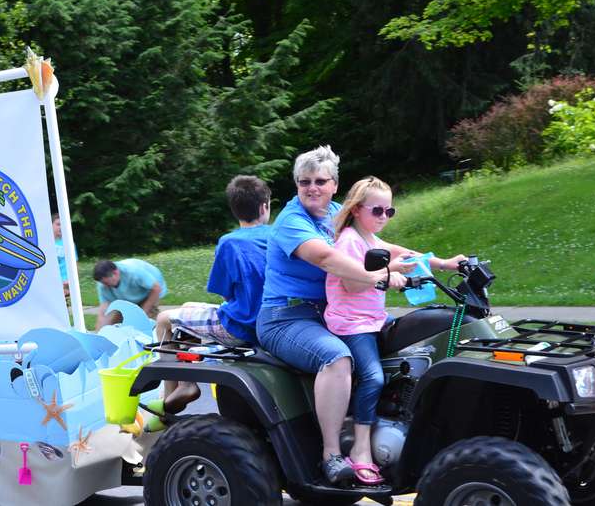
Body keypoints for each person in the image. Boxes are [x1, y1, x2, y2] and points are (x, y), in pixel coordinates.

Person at [256, 145, 414, 484]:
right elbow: (326, 259)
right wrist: (375, 277)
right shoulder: (291, 221)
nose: (312, 188)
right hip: (286, 318)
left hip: (329, 315)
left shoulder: (337, 213)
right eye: (304, 181)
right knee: (336, 358)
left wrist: (437, 261)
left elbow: (376, 246)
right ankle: (331, 455)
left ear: (334, 184)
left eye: (320, 181)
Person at [324, 176, 467, 484]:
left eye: (390, 212)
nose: (384, 218)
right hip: (352, 324)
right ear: (358, 209)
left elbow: (407, 254)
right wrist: (387, 275)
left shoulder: (371, 239)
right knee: (373, 376)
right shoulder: (350, 239)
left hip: (375, 318)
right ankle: (361, 447)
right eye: (378, 211)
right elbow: (351, 281)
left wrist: (446, 264)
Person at [153, 175, 271, 415]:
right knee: (187, 308)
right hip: (269, 321)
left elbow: (224, 293)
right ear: (264, 206)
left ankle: (178, 390)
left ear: (234, 209)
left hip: (240, 326)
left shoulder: (229, 242)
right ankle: (184, 379)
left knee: (164, 320)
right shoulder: (276, 236)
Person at [94, 258, 168, 329]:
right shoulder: (103, 284)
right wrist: (99, 333)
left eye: (106, 283)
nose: (105, 286)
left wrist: (142, 314)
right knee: (115, 324)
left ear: (116, 273)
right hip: (127, 294)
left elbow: (156, 288)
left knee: (145, 322)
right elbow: (103, 311)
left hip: (150, 290)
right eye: (103, 283)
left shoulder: (134, 272)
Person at [52, 213, 77, 297]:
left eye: (63, 225)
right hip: (52, 283)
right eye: (58, 224)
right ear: (51, 225)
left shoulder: (69, 243)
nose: (61, 227)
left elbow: (74, 264)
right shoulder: (46, 243)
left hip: (67, 283)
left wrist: (70, 282)